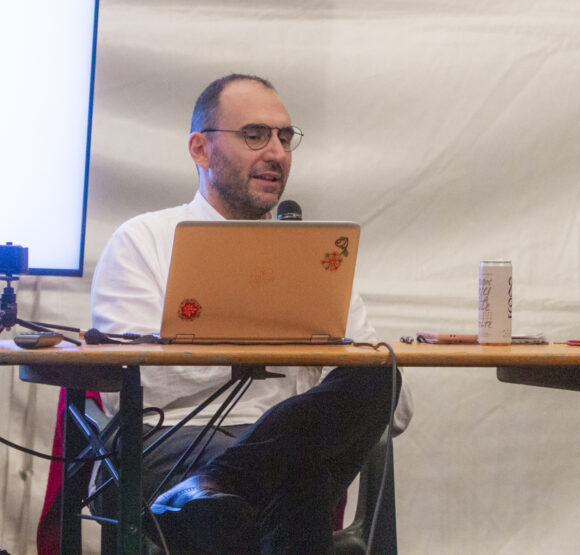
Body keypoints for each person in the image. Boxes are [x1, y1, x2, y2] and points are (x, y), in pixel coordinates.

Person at [91, 73, 412, 553]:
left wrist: (296, 386)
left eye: (284, 137)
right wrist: (291, 358)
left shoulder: (317, 257)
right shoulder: (143, 241)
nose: (277, 153)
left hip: (276, 458)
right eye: (255, 135)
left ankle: (226, 481)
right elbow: (132, 387)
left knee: (377, 376)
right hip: (178, 443)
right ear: (201, 149)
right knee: (299, 481)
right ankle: (224, 483)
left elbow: (392, 406)